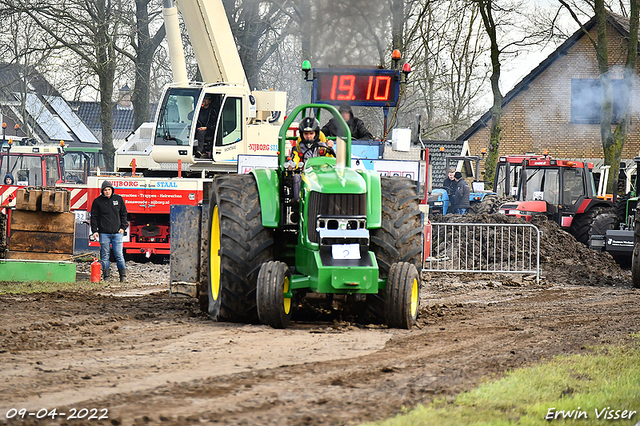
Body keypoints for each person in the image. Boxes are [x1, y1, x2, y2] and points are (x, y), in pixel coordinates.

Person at [91, 181, 128, 282]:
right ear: (102, 191)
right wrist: (95, 231)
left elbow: (124, 214)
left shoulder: (119, 199)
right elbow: (94, 217)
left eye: (109, 189)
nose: (107, 192)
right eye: (105, 190)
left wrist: (123, 228)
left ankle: (123, 276)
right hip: (104, 233)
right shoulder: (97, 202)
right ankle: (106, 277)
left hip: (117, 233)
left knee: (119, 255)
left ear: (112, 190)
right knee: (105, 256)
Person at [195, 94, 218, 158]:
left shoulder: (212, 111)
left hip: (208, 130)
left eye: (206, 99)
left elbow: (215, 124)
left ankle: (199, 150)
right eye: (203, 99)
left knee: (201, 132)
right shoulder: (199, 110)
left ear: (210, 101)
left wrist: (206, 127)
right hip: (198, 129)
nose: (204, 100)